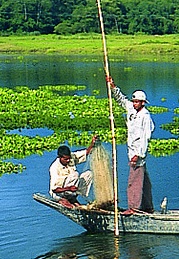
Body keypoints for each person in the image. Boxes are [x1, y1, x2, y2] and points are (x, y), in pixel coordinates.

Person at [106, 76, 155, 214]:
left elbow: (145, 137)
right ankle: (147, 206)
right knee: (143, 180)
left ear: (143, 103)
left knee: (133, 181)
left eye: (137, 102)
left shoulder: (145, 116)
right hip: (132, 151)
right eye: (133, 101)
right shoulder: (132, 110)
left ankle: (133, 208)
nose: (134, 104)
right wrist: (113, 86)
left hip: (138, 153)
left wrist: (138, 155)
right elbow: (121, 100)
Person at [49, 136, 97, 208]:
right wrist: (69, 188)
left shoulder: (71, 157)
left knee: (89, 174)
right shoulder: (54, 168)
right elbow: (54, 189)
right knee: (75, 174)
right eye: (65, 159)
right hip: (59, 194)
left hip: (71, 190)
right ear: (60, 157)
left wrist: (92, 143)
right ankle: (65, 199)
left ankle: (73, 197)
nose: (68, 161)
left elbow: (86, 152)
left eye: (69, 158)